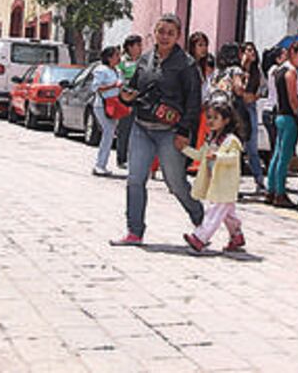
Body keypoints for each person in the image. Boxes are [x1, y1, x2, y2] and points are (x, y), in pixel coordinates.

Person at [111, 14, 204, 246]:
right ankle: (134, 231)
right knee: (135, 179)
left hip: (170, 132)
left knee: (176, 184)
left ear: (178, 37)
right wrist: (126, 97)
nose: (164, 37)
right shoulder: (144, 60)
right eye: (161, 31)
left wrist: (184, 132)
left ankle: (201, 220)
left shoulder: (186, 64)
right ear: (154, 32)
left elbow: (193, 102)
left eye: (170, 33)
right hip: (141, 127)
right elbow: (134, 91)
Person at [183, 96, 246, 252]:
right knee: (228, 214)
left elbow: (234, 158)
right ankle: (236, 236)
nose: (210, 121)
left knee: (215, 212)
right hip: (215, 182)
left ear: (226, 120)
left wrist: (218, 156)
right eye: (209, 117)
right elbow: (201, 156)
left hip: (225, 184)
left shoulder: (231, 140)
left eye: (215, 118)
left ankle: (200, 237)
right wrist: (184, 149)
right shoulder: (212, 139)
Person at [266, 40, 298, 208]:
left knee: (277, 154)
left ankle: (271, 190)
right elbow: (292, 98)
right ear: (293, 53)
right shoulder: (291, 73)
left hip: (279, 115)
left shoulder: (278, 70)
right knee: (284, 157)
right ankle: (280, 193)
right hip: (289, 117)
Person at [91, 46, 122, 176]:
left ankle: (102, 163)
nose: (119, 58)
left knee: (109, 134)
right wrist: (113, 85)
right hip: (103, 105)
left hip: (114, 105)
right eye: (116, 55)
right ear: (109, 57)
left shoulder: (117, 71)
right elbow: (96, 87)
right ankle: (99, 164)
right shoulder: (101, 70)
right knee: (108, 133)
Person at [240, 42, 267, 192]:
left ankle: (259, 180)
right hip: (238, 107)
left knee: (252, 145)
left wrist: (255, 96)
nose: (251, 53)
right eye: (248, 50)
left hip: (250, 107)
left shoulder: (257, 71)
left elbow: (263, 87)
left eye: (253, 50)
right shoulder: (238, 70)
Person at [116, 35, 143, 168]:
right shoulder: (122, 63)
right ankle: (122, 158)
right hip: (126, 100)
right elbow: (120, 82)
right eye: (138, 45)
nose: (140, 48)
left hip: (140, 99)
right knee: (124, 130)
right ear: (130, 47)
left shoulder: (143, 62)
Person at [261, 46, 287, 154]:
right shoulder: (276, 70)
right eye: (285, 54)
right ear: (278, 58)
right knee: (277, 146)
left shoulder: (273, 70)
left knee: (276, 146)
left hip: (270, 111)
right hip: (272, 111)